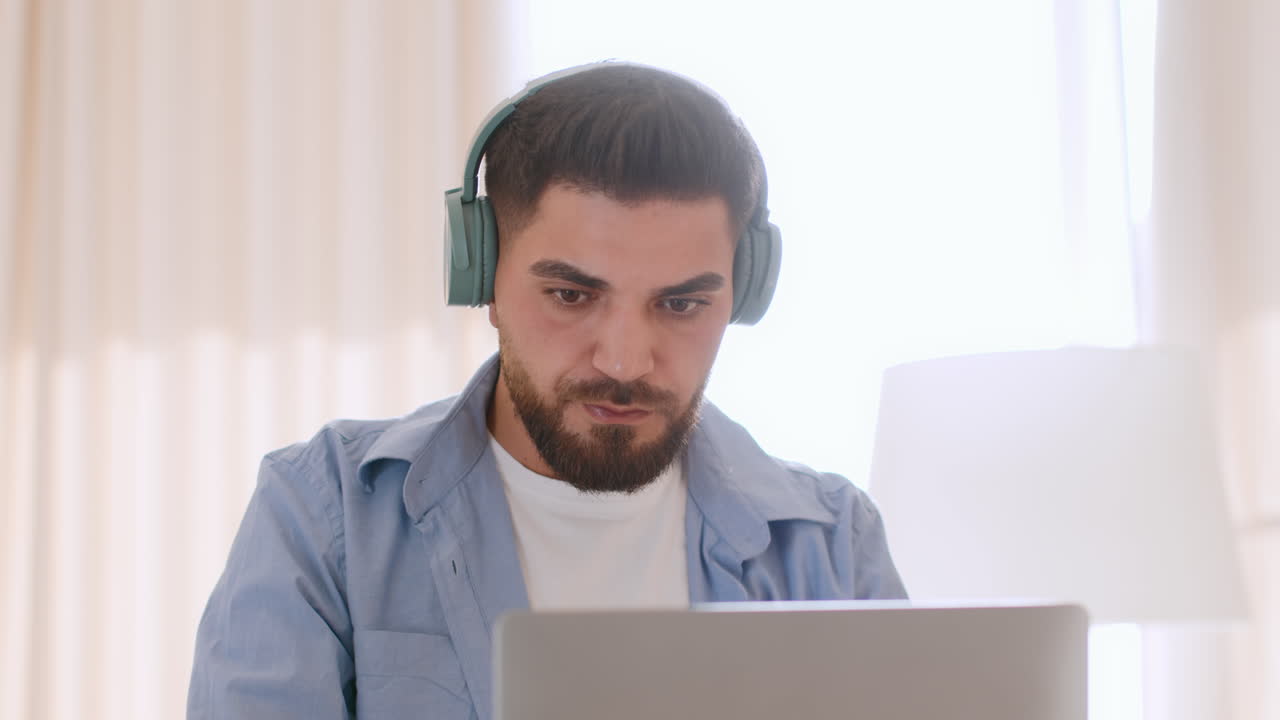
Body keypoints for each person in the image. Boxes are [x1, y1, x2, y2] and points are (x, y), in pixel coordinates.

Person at [187, 62, 906, 720]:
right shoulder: (324, 516)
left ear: (741, 296)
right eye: (571, 295)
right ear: (483, 278)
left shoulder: (832, 546)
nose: (625, 360)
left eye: (682, 304)